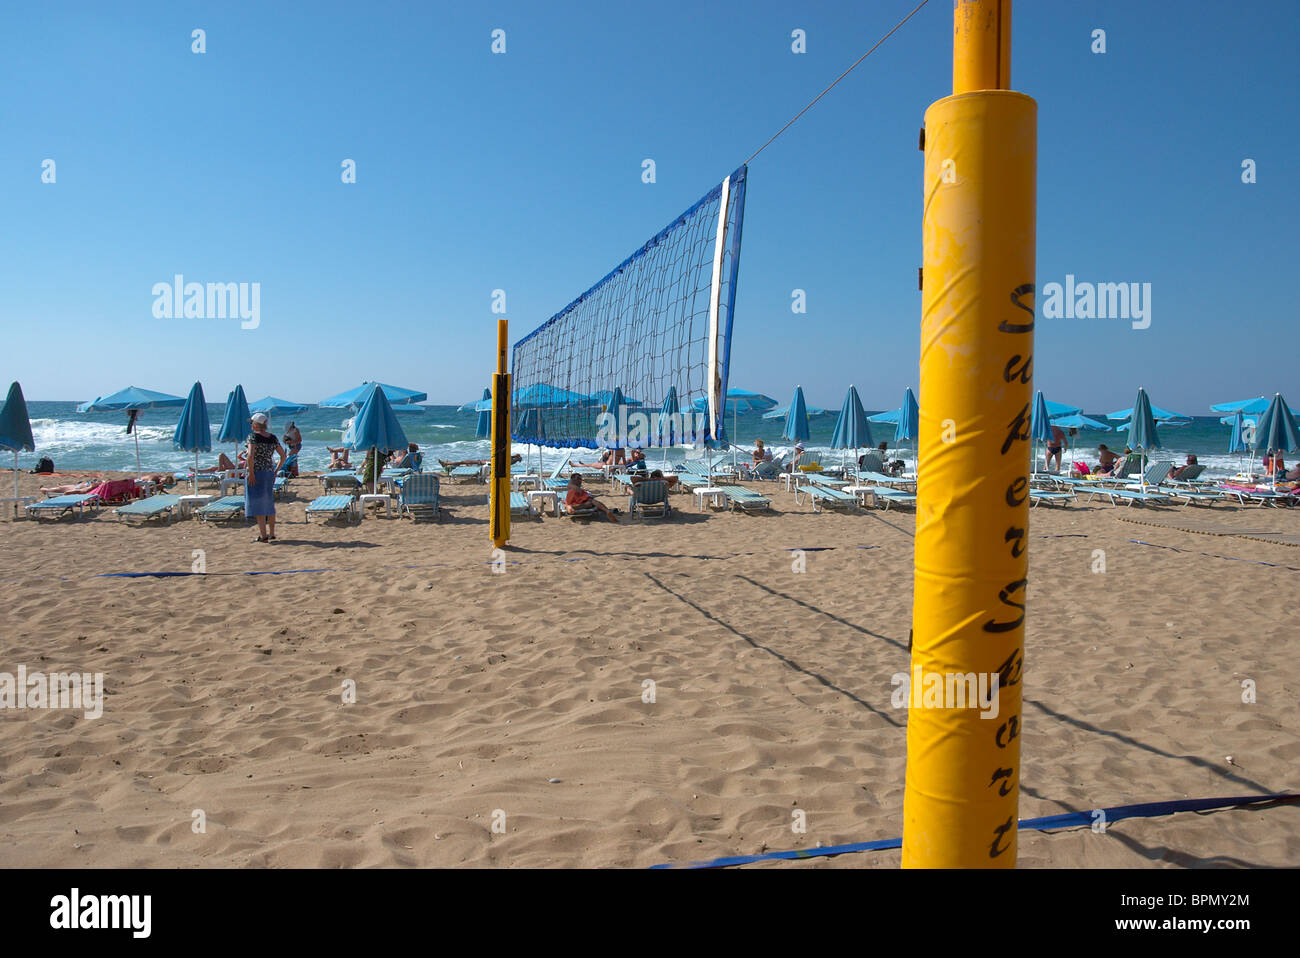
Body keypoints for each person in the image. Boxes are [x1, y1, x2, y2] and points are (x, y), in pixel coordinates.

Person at [246, 413, 286, 542]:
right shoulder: (272, 438)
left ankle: (263, 536)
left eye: (252, 423)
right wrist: (275, 471)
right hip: (269, 472)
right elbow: (283, 456)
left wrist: (251, 473)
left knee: (258, 505)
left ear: (255, 424)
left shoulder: (253, 437)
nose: (251, 425)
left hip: (257, 472)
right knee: (269, 503)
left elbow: (250, 456)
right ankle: (272, 533)